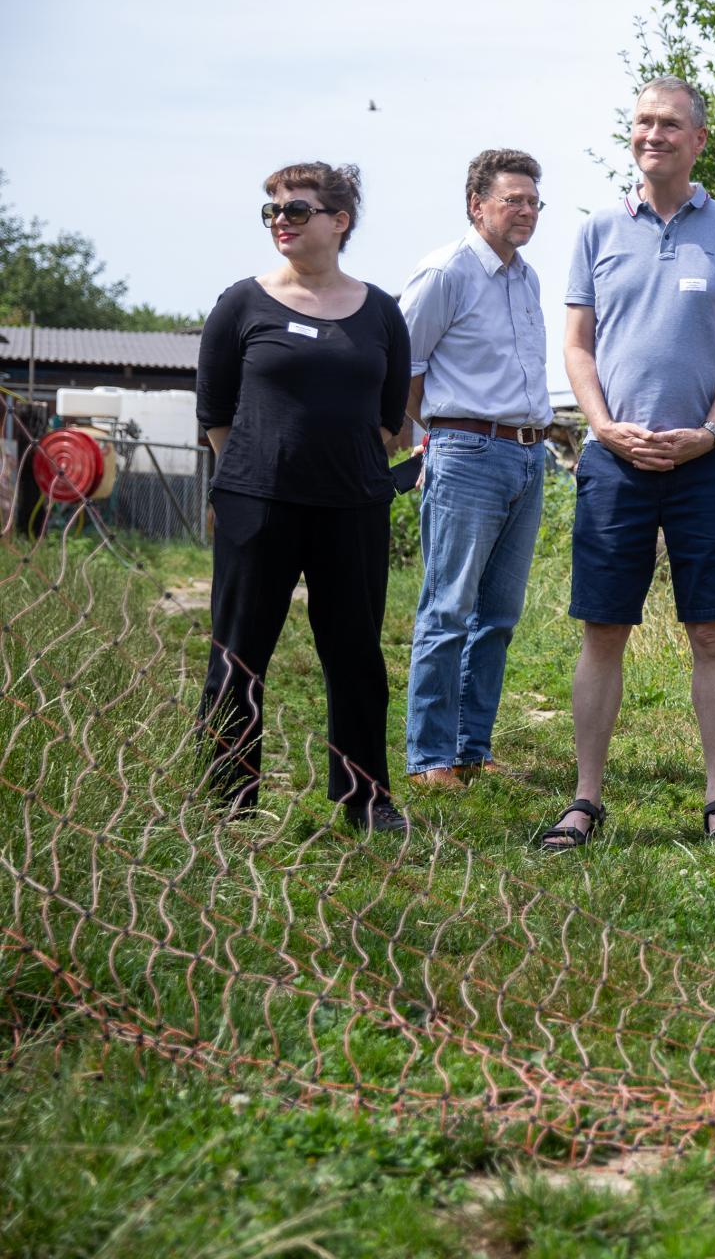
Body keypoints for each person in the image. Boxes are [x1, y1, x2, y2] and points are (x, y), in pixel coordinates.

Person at [539, 76, 715, 851]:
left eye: (669, 123)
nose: (652, 134)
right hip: (615, 460)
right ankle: (584, 800)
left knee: (712, 633)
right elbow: (577, 346)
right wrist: (603, 428)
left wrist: (710, 430)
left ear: (698, 140)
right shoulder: (597, 231)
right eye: (642, 121)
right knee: (603, 630)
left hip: (706, 460)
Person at [195, 162, 411, 833]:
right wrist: (255, 470)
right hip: (257, 505)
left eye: (296, 209)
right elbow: (215, 412)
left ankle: (365, 799)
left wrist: (334, 464)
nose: (280, 221)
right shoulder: (242, 304)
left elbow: (390, 419)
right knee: (238, 653)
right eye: (272, 211)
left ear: (339, 221)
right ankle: (226, 801)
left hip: (353, 506)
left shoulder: (381, 312)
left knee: (355, 656)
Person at [399, 149, 552, 792]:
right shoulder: (445, 272)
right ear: (476, 205)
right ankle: (430, 756)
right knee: (449, 608)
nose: (527, 211)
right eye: (513, 199)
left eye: (534, 201)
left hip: (528, 454)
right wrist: (440, 435)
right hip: (467, 453)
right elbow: (403, 370)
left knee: (499, 614)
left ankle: (471, 747)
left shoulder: (528, 277)